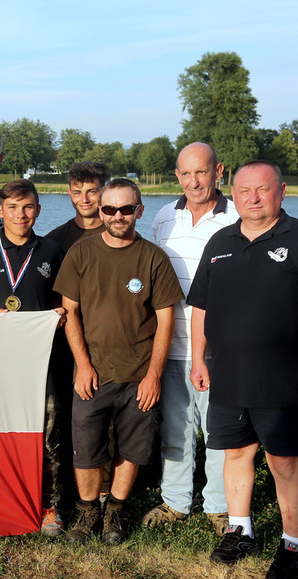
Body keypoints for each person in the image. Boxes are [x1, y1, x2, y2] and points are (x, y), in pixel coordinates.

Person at [188, 160, 298, 579]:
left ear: (281, 191)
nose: (252, 198)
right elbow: (200, 307)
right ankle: (240, 532)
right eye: (244, 191)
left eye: (262, 189)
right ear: (233, 193)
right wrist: (198, 359)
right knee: (235, 454)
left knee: (284, 463)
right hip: (227, 376)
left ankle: (294, 545)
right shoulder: (220, 241)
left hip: (285, 379)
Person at [53, 178, 183, 544]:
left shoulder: (154, 258)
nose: (118, 215)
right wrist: (82, 365)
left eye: (126, 209)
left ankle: (115, 513)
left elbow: (165, 319)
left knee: (132, 449)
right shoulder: (81, 253)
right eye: (109, 209)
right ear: (101, 210)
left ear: (139, 211)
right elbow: (70, 313)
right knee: (87, 449)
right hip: (93, 374)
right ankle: (87, 512)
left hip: (138, 374)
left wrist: (154, 375)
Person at [142, 142, 238, 537]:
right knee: (176, 429)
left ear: (218, 172)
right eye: (185, 173)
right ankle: (176, 501)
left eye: (202, 172)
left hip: (219, 349)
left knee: (219, 431)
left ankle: (218, 507)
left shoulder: (236, 217)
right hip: (171, 345)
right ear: (177, 175)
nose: (193, 181)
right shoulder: (164, 217)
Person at [0, 179, 68, 535]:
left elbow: (63, 304)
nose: (20, 215)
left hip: (43, 363)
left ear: (37, 210)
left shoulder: (53, 251)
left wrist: (55, 319)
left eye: (27, 207)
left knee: (49, 436)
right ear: (0, 211)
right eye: (12, 207)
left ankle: (50, 507)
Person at [45, 162, 109, 253]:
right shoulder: (53, 241)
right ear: (70, 194)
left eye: (91, 191)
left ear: (104, 192)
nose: (84, 200)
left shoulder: (120, 235)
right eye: (77, 193)